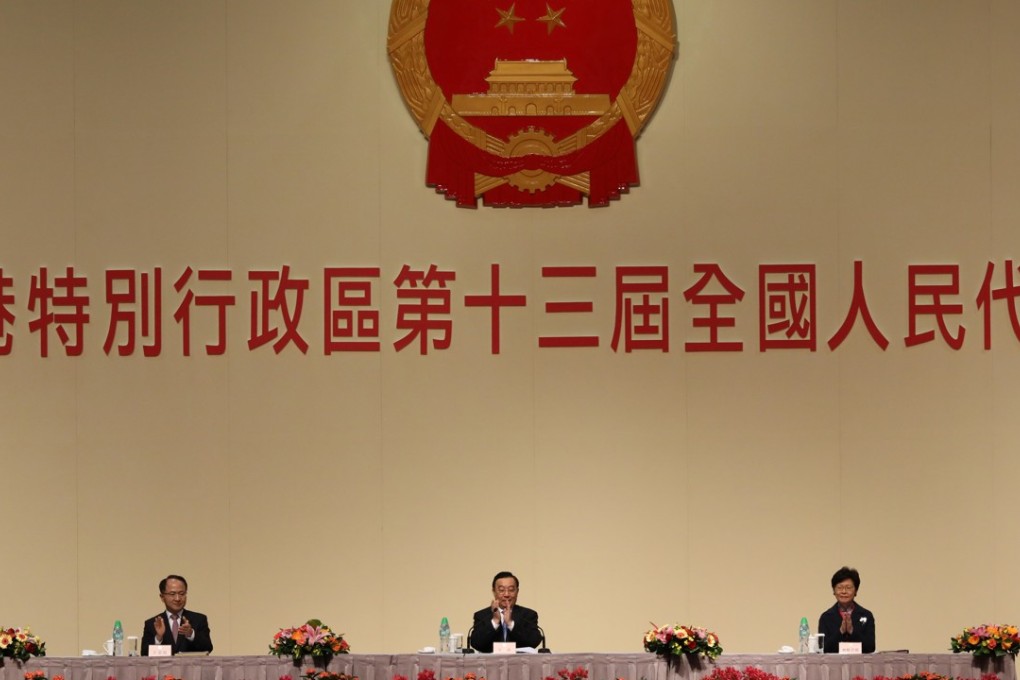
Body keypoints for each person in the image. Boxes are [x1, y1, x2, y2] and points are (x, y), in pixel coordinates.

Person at [470, 571, 543, 652]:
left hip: (519, 662)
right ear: (494, 591)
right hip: (490, 663)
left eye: (511, 590)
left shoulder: (528, 615)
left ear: (517, 591)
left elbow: (534, 641)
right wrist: (495, 621)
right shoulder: (482, 616)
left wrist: (510, 623)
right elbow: (476, 643)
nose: (506, 594)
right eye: (501, 590)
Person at [141, 574, 213, 655]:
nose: (177, 598)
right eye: (172, 594)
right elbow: (144, 654)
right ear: (162, 597)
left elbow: (208, 648)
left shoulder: (199, 619)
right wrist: (158, 637)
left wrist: (191, 634)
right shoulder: (152, 623)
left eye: (182, 593)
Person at [818, 566, 875, 653]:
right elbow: (823, 649)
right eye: (839, 587)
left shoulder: (866, 615)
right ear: (834, 591)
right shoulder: (826, 617)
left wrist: (852, 631)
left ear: (856, 591)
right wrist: (841, 631)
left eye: (848, 588)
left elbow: (870, 647)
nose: (844, 591)